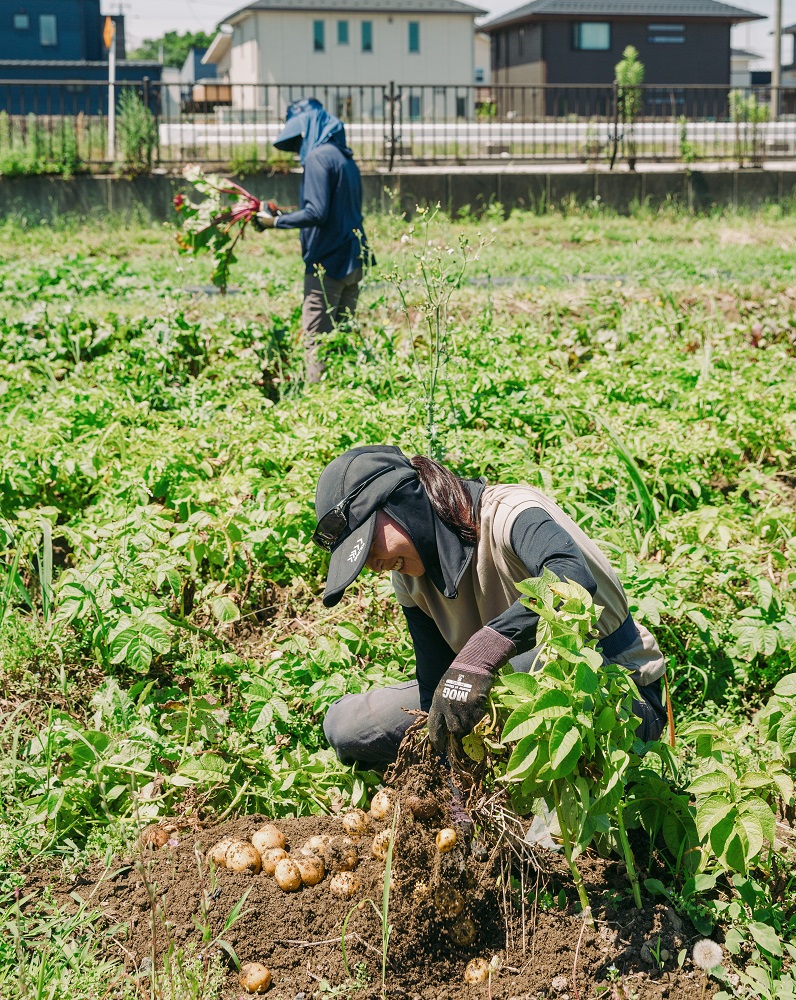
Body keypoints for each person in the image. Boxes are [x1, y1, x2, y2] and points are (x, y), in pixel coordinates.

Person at [313, 445, 667, 769]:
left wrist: (483, 652)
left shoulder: (509, 513)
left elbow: (571, 579)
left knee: (535, 663)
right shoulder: (409, 576)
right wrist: (450, 780)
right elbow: (434, 680)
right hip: (501, 695)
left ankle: (543, 835)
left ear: (403, 503)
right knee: (350, 726)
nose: (373, 564)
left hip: (617, 694)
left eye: (369, 544)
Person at [253, 98, 370, 382]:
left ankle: (316, 404)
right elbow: (332, 211)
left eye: (299, 139)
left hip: (327, 264)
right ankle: (346, 392)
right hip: (354, 259)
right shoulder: (344, 157)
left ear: (309, 129)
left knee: (317, 339)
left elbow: (317, 212)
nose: (298, 149)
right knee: (342, 336)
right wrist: (285, 214)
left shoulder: (318, 158)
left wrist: (275, 221)